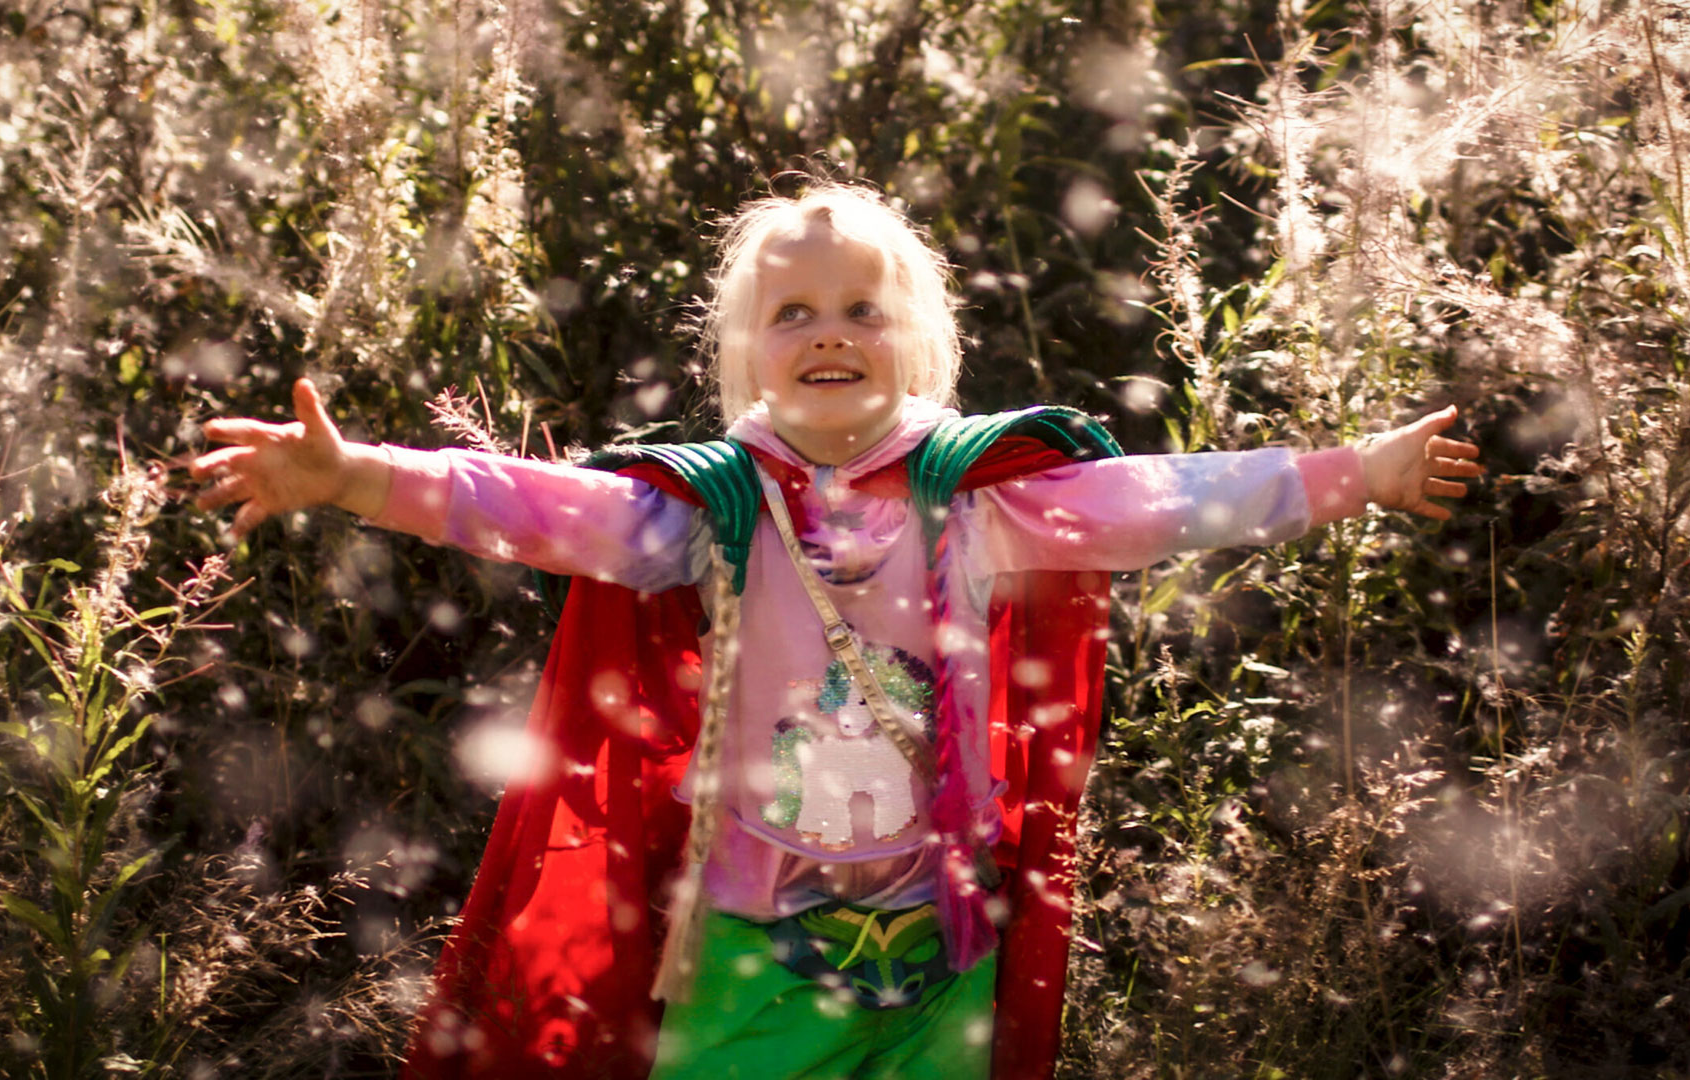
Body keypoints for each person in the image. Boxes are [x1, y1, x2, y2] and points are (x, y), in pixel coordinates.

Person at [190, 182, 1483, 1080]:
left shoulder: (985, 504)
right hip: (754, 943)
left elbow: (1163, 499)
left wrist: (1350, 474)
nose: (829, 333)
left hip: (943, 943)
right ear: (748, 351)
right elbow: (541, 508)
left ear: (918, 344)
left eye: (863, 309)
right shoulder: (709, 511)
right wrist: (358, 477)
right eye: (794, 312)